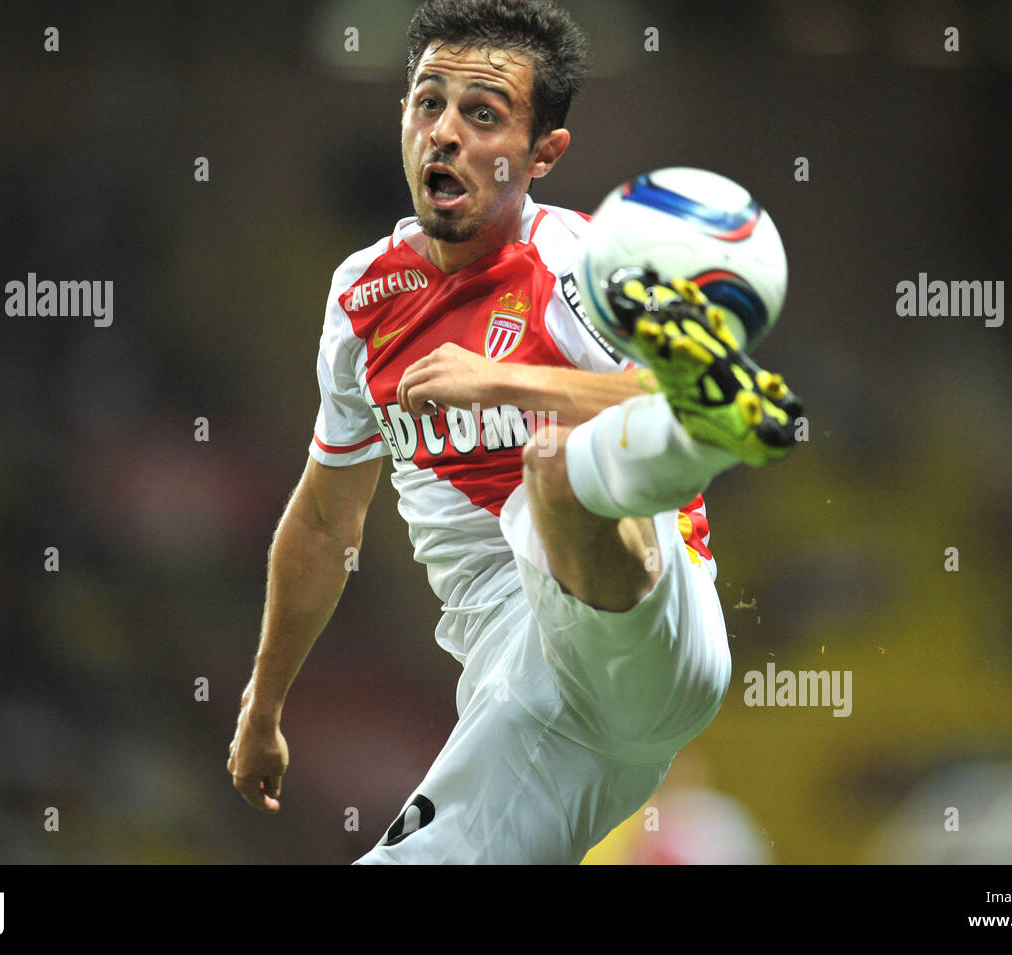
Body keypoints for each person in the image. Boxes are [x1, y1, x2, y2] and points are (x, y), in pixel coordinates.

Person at [226, 0, 799, 864]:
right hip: (530, 705)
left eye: (482, 113)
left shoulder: (584, 266)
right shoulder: (361, 301)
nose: (444, 133)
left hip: (647, 623)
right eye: (428, 103)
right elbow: (320, 521)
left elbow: (645, 395)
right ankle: (713, 415)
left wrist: (494, 378)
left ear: (543, 155)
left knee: (556, 468)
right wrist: (262, 706)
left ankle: (712, 421)